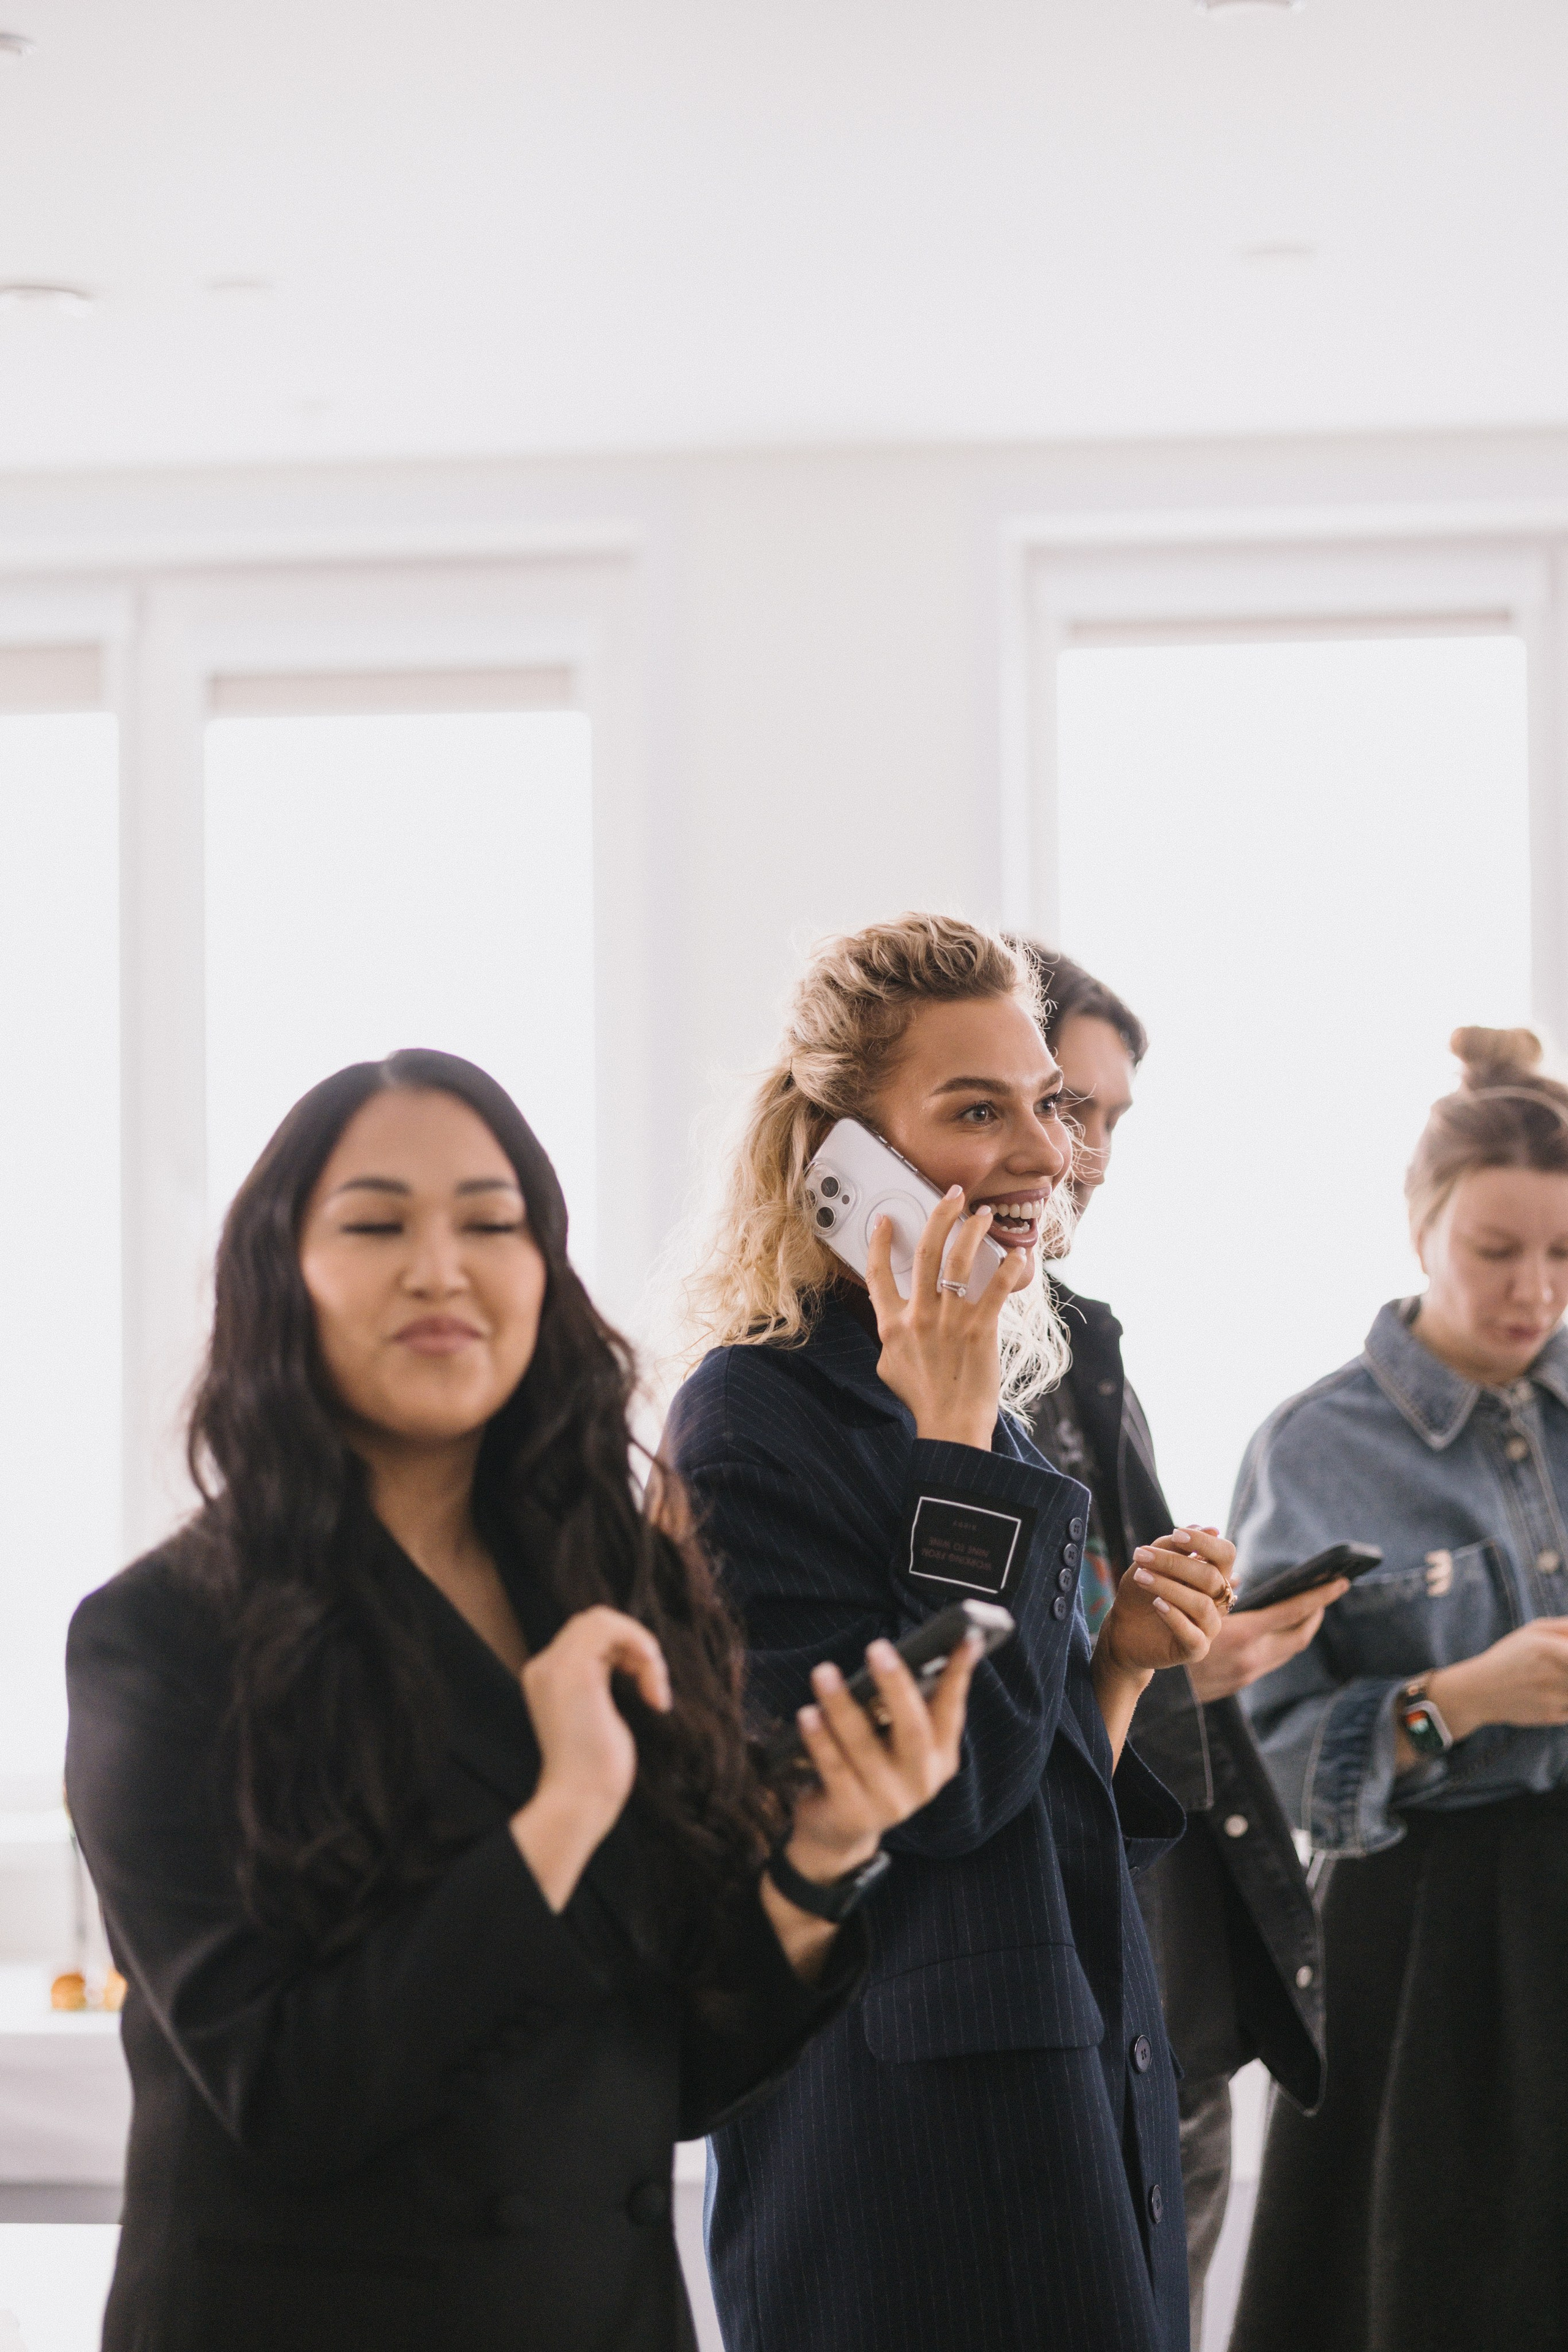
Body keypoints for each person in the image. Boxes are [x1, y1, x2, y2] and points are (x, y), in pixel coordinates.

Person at [64, 1049, 980, 2352]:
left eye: (491, 1225)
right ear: (282, 1276)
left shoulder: (616, 1581)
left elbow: (660, 2082)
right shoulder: (158, 1638)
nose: (440, 1267)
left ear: (542, 1271)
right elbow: (288, 2096)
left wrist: (824, 1852)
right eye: (376, 1223)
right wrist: (560, 1814)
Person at [666, 914, 1237, 2352]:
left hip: (1069, 2081)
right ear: (839, 1156)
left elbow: (1032, 1786)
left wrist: (1117, 1668)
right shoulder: (749, 1419)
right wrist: (949, 1436)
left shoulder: (977, 1408)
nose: (1043, 1155)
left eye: (1041, 1102)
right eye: (973, 1110)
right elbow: (936, 1795)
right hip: (904, 2149)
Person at [1011, 944, 1333, 2346]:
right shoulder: (863, 1386)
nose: (1076, 1155)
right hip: (1042, 1988)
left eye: (1102, 1119)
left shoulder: (1083, 1342)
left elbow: (1098, 1616)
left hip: (1166, 1988)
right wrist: (1150, 1665)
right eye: (1051, 1107)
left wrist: (1182, 1643)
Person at [1227, 1027, 1568, 2352]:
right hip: (1422, 1942)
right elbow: (1253, 1751)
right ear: (1420, 1229)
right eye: (1496, 1251)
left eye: (1560, 1253)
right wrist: (1452, 1701)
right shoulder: (1313, 1450)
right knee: (1424, 2296)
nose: (1532, 1289)